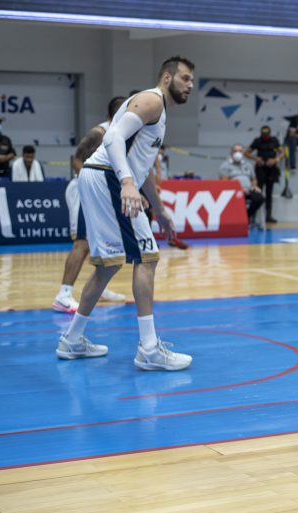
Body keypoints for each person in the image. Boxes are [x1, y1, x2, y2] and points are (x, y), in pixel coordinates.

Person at [56, 56, 195, 371]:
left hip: (100, 175)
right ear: (167, 77)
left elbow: (141, 168)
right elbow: (112, 137)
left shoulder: (158, 112)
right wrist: (127, 183)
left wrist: (160, 210)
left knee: (108, 265)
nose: (190, 85)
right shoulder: (152, 101)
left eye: (191, 81)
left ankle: (72, 340)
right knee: (147, 257)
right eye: (185, 78)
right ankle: (149, 349)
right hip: (107, 175)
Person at [52, 96, 128, 313]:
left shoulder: (121, 134)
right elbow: (76, 160)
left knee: (101, 241)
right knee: (82, 243)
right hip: (83, 189)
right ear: (117, 114)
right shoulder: (99, 133)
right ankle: (63, 295)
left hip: (100, 191)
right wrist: (90, 182)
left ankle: (99, 287)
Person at [245, 126, 284, 224]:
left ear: (269, 133)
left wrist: (275, 160)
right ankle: (253, 216)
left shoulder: (274, 140)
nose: (265, 136)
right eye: (263, 134)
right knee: (258, 192)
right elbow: (246, 153)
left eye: (267, 134)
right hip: (260, 169)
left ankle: (268, 215)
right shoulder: (257, 141)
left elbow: (282, 153)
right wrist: (256, 159)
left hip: (271, 169)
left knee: (269, 193)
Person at [220, 143, 264, 225]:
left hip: (249, 190)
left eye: (240, 151)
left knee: (259, 198)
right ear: (231, 153)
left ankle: (247, 216)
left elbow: (253, 179)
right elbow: (224, 181)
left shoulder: (248, 165)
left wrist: (254, 186)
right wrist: (238, 188)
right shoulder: (225, 165)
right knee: (239, 198)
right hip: (234, 191)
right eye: (235, 151)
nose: (238, 153)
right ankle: (240, 219)